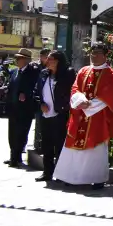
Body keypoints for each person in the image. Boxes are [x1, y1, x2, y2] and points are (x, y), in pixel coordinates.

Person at [53, 43, 113, 189]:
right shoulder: (84, 71)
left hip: (97, 117)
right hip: (79, 115)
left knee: (95, 148)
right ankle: (70, 177)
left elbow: (108, 95)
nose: (94, 56)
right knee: (73, 146)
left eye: (98, 53)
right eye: (92, 52)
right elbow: (75, 88)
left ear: (105, 55)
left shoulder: (110, 74)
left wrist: (89, 106)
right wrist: (80, 101)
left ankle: (97, 178)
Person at [33, 50, 76, 182]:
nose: (48, 61)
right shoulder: (43, 73)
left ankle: (60, 173)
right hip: (45, 114)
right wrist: (40, 104)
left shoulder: (68, 73)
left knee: (59, 144)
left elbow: (73, 91)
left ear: (58, 61)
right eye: (48, 59)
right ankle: (47, 172)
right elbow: (36, 92)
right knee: (46, 144)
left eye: (51, 59)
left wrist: (64, 106)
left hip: (60, 113)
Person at [4, 48, 41, 168]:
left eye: (19, 58)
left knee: (21, 133)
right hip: (13, 108)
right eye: (16, 58)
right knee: (12, 133)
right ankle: (13, 156)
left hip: (25, 109)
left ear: (26, 60)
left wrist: (26, 94)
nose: (17, 60)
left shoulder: (33, 72)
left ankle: (16, 157)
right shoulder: (15, 72)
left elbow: (36, 88)